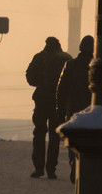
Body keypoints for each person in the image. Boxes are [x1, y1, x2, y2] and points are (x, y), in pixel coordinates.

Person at [26, 37, 72, 179]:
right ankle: (51, 169)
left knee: (39, 133)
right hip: (58, 103)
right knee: (54, 136)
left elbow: (29, 77)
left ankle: (39, 168)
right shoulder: (66, 59)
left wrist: (42, 81)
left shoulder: (39, 57)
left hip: (41, 101)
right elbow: (71, 81)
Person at [57, 35, 95, 182]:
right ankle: (84, 168)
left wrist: (59, 108)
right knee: (89, 140)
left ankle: (74, 164)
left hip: (73, 110)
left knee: (73, 140)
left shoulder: (70, 65)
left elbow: (61, 89)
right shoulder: (95, 65)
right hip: (91, 111)